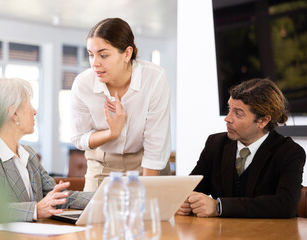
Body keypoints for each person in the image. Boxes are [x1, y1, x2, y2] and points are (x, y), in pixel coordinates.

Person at [0, 78, 93, 224]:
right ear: (14, 113)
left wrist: (104, 197)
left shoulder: (28, 155)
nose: (34, 111)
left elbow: (59, 197)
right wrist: (35, 210)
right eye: (29, 104)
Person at [177, 78, 306, 218]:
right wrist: (181, 202)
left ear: (263, 121)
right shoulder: (214, 144)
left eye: (238, 113)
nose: (227, 118)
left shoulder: (290, 152)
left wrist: (219, 207)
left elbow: (285, 205)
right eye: (229, 109)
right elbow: (191, 189)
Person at [70, 18, 171, 192]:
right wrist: (111, 133)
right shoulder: (83, 84)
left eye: (103, 55)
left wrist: (146, 194)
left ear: (127, 53)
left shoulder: (154, 78)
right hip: (102, 165)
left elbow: (156, 144)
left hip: (145, 165)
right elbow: (79, 138)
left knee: (149, 216)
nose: (95, 63)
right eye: (91, 54)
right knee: (93, 218)